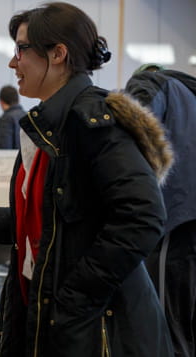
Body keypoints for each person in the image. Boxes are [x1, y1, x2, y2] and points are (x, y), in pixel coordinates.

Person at [0, 3, 174, 356]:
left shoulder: (93, 124)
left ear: (58, 54)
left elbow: (144, 217)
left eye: (21, 50)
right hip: (51, 314)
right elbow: (42, 220)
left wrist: (74, 297)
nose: (13, 63)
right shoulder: (49, 128)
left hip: (92, 329)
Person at [126, 67, 196, 357]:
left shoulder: (151, 81)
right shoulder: (190, 94)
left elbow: (130, 128)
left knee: (168, 329)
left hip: (174, 223)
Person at [0, 85, 25, 149]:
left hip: (12, 158)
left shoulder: (6, 119)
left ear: (1, 102)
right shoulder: (28, 115)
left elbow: (4, 149)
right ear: (18, 100)